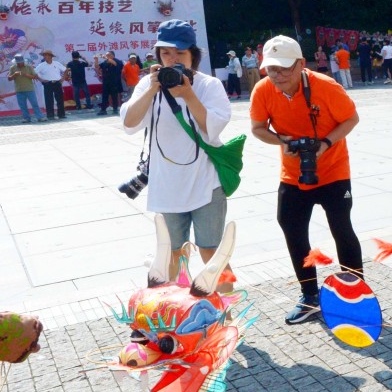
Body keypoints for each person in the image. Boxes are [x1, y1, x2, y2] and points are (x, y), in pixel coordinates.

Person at [249, 35, 363, 324]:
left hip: (334, 169)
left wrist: (325, 143)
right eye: (271, 69)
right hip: (293, 172)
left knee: (341, 227)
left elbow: (351, 119)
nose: (276, 76)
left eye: (284, 69)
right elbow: (258, 128)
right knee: (291, 227)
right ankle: (309, 297)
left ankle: (356, 292)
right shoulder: (263, 90)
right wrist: (280, 141)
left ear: (301, 64)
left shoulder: (326, 87)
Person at [121, 20, 233, 288]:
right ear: (158, 55)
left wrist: (188, 94)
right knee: (171, 254)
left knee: (212, 252)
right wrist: (151, 88)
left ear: (193, 55)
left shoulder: (209, 85)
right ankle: (174, 311)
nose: (172, 59)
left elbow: (212, 129)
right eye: (166, 53)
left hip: (205, 183)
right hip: (166, 185)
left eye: (180, 53)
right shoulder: (149, 85)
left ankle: (228, 312)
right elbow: (129, 124)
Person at [7, 54, 45, 123]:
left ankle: (40, 117)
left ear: (23, 61)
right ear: (16, 62)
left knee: (34, 104)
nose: (20, 64)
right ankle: (26, 118)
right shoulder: (13, 68)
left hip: (29, 89)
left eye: (21, 62)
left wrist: (26, 75)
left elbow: (35, 77)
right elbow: (9, 79)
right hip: (19, 90)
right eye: (18, 62)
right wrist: (14, 74)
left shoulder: (29, 67)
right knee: (22, 106)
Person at [36, 49, 68, 119]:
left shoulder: (56, 63)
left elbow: (66, 70)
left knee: (60, 99)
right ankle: (50, 115)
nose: (45, 56)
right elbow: (34, 73)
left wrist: (63, 78)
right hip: (48, 83)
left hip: (57, 82)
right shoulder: (41, 65)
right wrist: (41, 80)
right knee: (49, 100)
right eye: (44, 55)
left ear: (50, 56)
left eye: (46, 55)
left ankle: (61, 114)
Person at [94, 50, 124, 115]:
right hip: (106, 82)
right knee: (104, 96)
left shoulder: (118, 61)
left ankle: (115, 109)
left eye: (108, 55)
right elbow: (97, 67)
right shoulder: (105, 62)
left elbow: (114, 63)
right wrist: (96, 60)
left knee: (114, 96)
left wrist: (106, 57)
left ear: (113, 55)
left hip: (114, 82)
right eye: (106, 55)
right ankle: (103, 110)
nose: (107, 56)